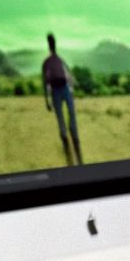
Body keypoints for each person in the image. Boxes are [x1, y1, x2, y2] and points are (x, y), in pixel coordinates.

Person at [41, 32, 82, 166]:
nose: (52, 44)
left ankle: (74, 135)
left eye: (53, 41)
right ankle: (65, 138)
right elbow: (45, 81)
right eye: (51, 42)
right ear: (49, 44)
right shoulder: (46, 62)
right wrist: (47, 100)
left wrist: (72, 87)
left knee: (71, 112)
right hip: (55, 90)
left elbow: (68, 73)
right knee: (60, 116)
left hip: (64, 88)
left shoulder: (60, 59)